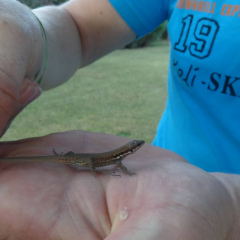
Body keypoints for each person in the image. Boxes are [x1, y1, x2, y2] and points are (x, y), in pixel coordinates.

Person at [0, 0, 239, 239]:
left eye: (134, 146)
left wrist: (231, 201)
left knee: (73, 161)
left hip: (178, 179)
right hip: (163, 168)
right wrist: (23, 29)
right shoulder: (120, 157)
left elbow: (116, 163)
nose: (136, 146)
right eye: (134, 146)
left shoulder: (120, 157)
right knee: (67, 161)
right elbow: (78, 26)